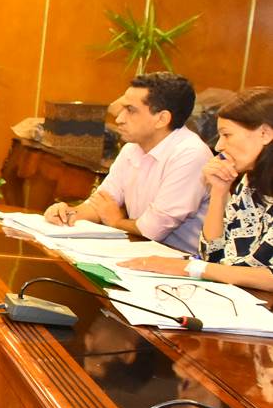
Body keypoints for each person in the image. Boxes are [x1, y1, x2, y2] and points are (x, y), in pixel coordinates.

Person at [123, 86, 273, 290]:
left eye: (227, 135)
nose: (219, 146)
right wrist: (219, 191)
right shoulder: (250, 183)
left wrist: (190, 268)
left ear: (265, 134)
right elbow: (212, 255)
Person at [44, 72, 209, 253]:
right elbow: (100, 204)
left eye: (130, 110)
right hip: (144, 252)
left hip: (185, 261)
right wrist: (68, 213)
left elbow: (153, 230)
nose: (119, 119)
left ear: (161, 119)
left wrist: (116, 222)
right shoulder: (132, 148)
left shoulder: (190, 154)